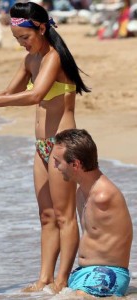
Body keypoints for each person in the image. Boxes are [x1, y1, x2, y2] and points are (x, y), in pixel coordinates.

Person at [0, 1, 90, 293]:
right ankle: (44, 278)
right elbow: (8, 92)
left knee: (64, 216)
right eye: (17, 40)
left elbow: (35, 96)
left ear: (42, 28)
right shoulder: (31, 59)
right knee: (46, 217)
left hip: (63, 146)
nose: (22, 45)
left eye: (25, 38)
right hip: (41, 146)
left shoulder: (54, 57)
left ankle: (62, 281)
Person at [53, 128, 133, 298]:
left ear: (75, 164)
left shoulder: (103, 196)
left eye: (58, 162)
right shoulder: (81, 192)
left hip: (108, 273)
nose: (55, 167)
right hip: (83, 272)